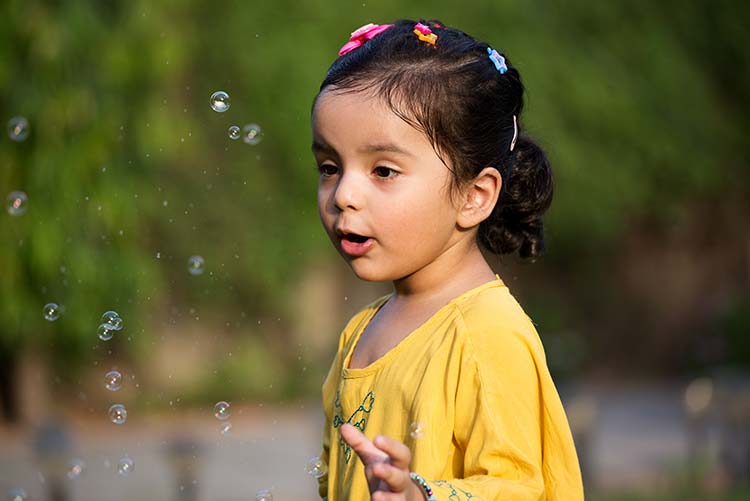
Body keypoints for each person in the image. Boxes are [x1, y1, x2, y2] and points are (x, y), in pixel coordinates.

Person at [311, 18, 584, 500]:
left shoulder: (487, 335)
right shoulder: (359, 331)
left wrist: (420, 495)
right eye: (330, 167)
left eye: (384, 170)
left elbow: (518, 487)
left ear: (474, 196)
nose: (344, 194)